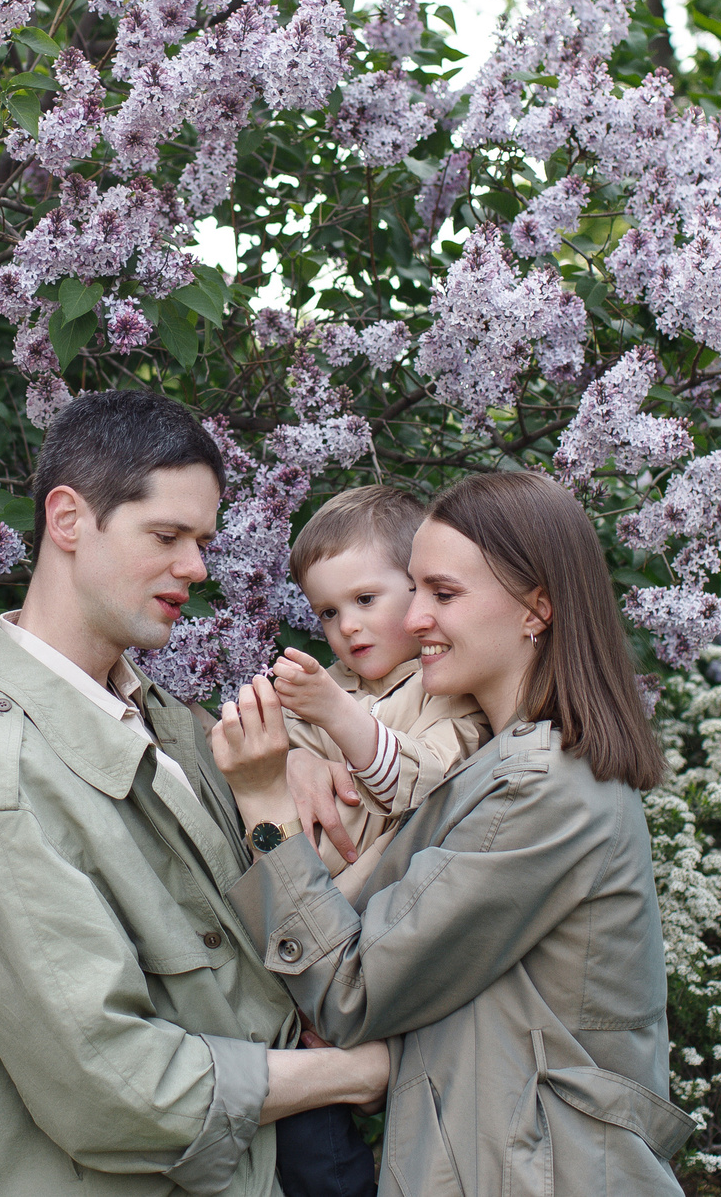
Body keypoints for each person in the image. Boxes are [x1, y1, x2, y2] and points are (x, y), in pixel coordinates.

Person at [0, 389, 391, 1197]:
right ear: (67, 520)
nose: (197, 568)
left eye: (201, 540)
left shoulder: (160, 720)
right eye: (166, 535)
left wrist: (295, 759)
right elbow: (119, 1087)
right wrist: (348, 1073)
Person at [208, 470, 694, 1196]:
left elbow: (353, 992)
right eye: (415, 588)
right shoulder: (494, 769)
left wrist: (267, 809)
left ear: (537, 608)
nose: (416, 617)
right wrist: (305, 755)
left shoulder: (542, 792)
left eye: (444, 592)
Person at [265, 484, 491, 1197]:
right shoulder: (329, 686)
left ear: (420, 592)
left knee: (348, 1156)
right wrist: (294, 755)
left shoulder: (446, 692)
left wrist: (337, 717)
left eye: (366, 599)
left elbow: (413, 783)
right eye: (328, 611)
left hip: (367, 953)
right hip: (290, 951)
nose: (347, 627)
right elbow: (245, 770)